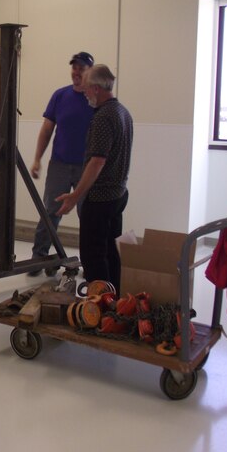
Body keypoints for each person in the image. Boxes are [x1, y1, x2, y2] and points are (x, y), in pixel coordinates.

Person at [55, 64, 133, 291]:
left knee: (93, 256)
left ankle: (99, 306)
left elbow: (97, 162)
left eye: (87, 87)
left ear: (97, 88)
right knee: (110, 251)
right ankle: (115, 299)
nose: (84, 91)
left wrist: (75, 195)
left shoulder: (103, 117)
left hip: (100, 199)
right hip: (118, 194)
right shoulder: (123, 112)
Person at [28, 51, 96, 276]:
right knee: (50, 211)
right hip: (59, 165)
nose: (76, 72)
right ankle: (40, 257)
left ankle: (90, 262)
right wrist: (37, 159)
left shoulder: (95, 100)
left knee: (87, 215)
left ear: (90, 72)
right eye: (74, 67)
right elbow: (47, 130)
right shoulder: (60, 96)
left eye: (81, 68)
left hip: (86, 168)